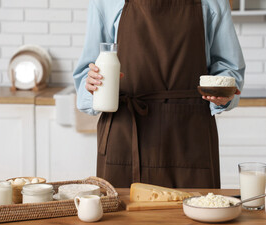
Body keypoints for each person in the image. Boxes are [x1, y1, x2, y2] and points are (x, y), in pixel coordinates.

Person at [73, 0, 245, 188]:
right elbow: (86, 74)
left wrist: (223, 94)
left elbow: (229, 67)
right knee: (121, 216)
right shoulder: (105, 2)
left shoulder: (214, 2)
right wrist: (92, 85)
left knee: (197, 213)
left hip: (190, 136)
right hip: (125, 133)